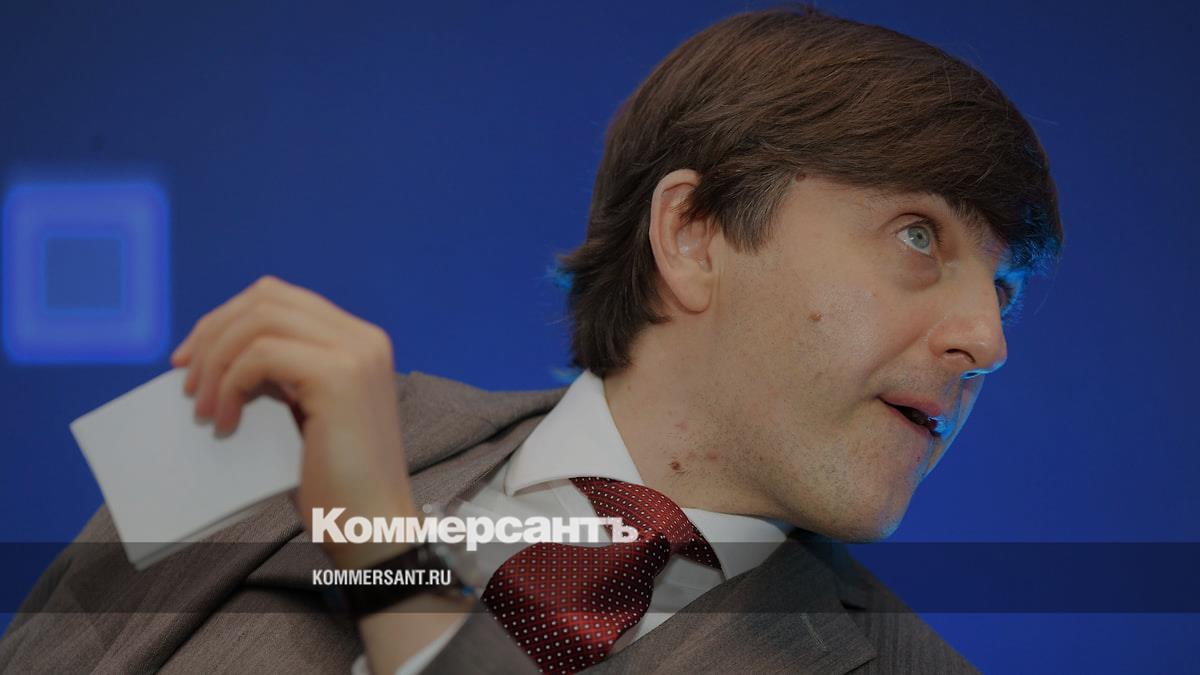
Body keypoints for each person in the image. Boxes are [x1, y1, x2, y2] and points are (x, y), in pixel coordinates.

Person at [0, 6, 1061, 674]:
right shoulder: (272, 424)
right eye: (918, 235)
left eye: (1006, 290)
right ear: (692, 234)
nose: (987, 339)